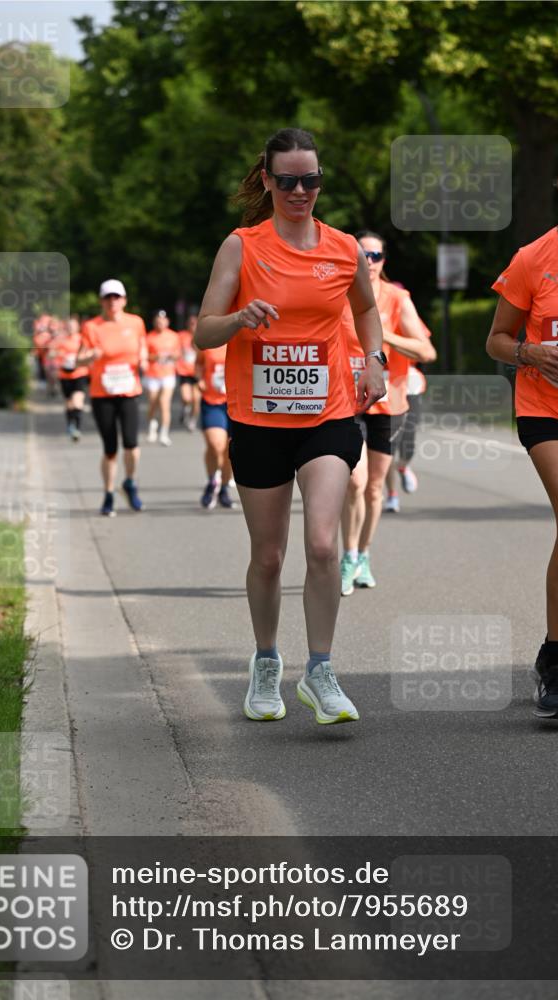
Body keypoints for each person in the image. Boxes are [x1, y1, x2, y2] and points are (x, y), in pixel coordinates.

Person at [195, 127, 386, 725]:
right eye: (288, 181)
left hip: (327, 413)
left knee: (325, 543)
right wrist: (238, 318)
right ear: (268, 181)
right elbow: (202, 330)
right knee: (270, 556)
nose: (301, 190)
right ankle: (266, 661)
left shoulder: (342, 247)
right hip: (257, 419)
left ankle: (322, 670)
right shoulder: (242, 247)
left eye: (311, 179)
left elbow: (366, 309)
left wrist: (374, 361)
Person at [487, 137, 558, 721]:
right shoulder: (535, 257)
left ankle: (553, 657)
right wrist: (532, 352)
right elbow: (496, 338)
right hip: (548, 409)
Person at [339, 233, 436, 595]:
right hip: (347, 403)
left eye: (376, 254)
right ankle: (348, 555)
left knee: (376, 488)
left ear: (383, 260)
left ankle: (364, 554)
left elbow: (426, 351)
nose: (369, 259)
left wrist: (384, 338)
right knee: (354, 482)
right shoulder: (338, 294)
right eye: (362, 253)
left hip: (388, 403)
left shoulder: (397, 299)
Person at [78, 279, 147, 516]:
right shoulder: (92, 326)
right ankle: (108, 494)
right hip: (102, 394)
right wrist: (90, 357)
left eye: (116, 297)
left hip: (129, 391)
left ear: (124, 300)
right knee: (110, 448)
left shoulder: (136, 322)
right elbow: (79, 359)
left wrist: (145, 358)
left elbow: (142, 346)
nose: (112, 302)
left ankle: (130, 482)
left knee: (131, 444)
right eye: (108, 297)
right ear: (101, 301)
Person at [385, 321, 432, 511]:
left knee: (408, 444)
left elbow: (425, 350)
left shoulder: (407, 317)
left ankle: (403, 467)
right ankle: (391, 495)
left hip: (408, 384)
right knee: (387, 445)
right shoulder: (363, 313)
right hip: (381, 383)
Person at [195, 343, 235, 509]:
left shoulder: (241, 336)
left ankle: (224, 488)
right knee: (215, 445)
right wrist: (199, 379)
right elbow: (198, 363)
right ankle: (213, 481)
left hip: (236, 402)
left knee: (230, 449)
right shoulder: (210, 339)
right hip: (212, 401)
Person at [144, 310, 181, 446]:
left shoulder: (174, 336)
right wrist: (155, 357)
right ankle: (152, 425)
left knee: (165, 402)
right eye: (158, 321)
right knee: (153, 403)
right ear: (154, 322)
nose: (160, 323)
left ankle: (164, 433)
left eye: (163, 321)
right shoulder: (149, 337)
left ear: (167, 322)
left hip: (168, 374)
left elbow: (178, 354)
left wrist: (172, 356)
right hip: (152, 374)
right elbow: (144, 355)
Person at [54, 315, 88, 441]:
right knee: (69, 403)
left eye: (73, 325)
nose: (71, 328)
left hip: (79, 373)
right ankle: (70, 424)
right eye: (69, 325)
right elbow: (54, 355)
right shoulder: (61, 340)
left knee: (78, 400)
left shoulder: (82, 339)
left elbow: (87, 353)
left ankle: (77, 429)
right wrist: (61, 357)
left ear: (78, 326)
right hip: (65, 374)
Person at [176, 313, 201, 431]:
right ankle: (185, 408)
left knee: (196, 399)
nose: (193, 325)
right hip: (184, 372)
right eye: (191, 323)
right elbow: (176, 350)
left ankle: (192, 420)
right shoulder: (181, 336)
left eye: (195, 323)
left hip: (197, 373)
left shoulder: (202, 337)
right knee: (186, 398)